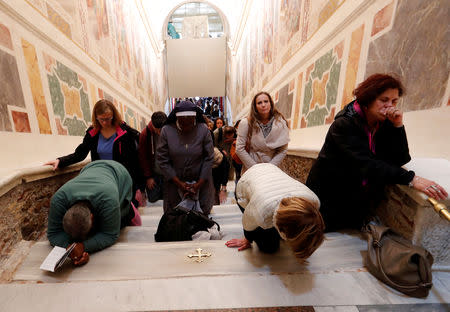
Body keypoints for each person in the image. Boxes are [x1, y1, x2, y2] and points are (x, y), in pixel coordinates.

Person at [306, 73, 448, 232]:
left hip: (355, 198)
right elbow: (365, 164)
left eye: (394, 101)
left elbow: (400, 158)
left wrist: (398, 126)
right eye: (384, 100)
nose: (390, 106)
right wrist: (411, 178)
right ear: (368, 99)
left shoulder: (384, 121)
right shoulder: (344, 124)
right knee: (325, 238)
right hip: (329, 195)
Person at [44, 99, 143, 200]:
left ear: (113, 115)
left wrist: (138, 187)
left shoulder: (125, 133)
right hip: (101, 179)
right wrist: (60, 161)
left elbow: (134, 162)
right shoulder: (93, 133)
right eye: (101, 119)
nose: (105, 122)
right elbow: (80, 154)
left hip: (122, 180)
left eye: (108, 119)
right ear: (96, 117)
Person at [225, 163, 325, 262]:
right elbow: (248, 221)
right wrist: (247, 239)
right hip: (246, 184)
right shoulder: (262, 213)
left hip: (270, 171)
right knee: (269, 248)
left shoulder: (314, 202)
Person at [47, 160, 138, 266]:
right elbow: (53, 234)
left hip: (120, 174)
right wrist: (69, 248)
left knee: (120, 220)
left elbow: (110, 234)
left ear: (92, 217)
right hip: (90, 169)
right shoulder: (58, 200)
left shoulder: (109, 201)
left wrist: (84, 247)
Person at [157, 101, 215, 215]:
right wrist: (179, 184)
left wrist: (198, 184)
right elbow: (162, 159)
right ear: (177, 119)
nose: (187, 128)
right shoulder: (167, 130)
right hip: (174, 182)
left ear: (195, 119)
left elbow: (209, 158)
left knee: (200, 218)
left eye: (190, 123)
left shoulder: (203, 129)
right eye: (183, 124)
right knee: (176, 217)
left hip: (201, 182)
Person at [236, 91, 289, 173]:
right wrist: (256, 169)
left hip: (274, 167)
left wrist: (270, 168)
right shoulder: (246, 122)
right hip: (252, 166)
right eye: (259, 103)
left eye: (266, 101)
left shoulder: (280, 122)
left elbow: (283, 149)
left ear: (270, 103)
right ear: (255, 106)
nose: (263, 105)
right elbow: (239, 149)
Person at [138, 111, 167, 203]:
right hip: (154, 175)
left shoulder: (170, 131)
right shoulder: (145, 135)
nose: (159, 132)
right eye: (156, 130)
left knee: (168, 201)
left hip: (168, 174)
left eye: (161, 130)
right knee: (154, 200)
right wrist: (148, 177)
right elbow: (143, 158)